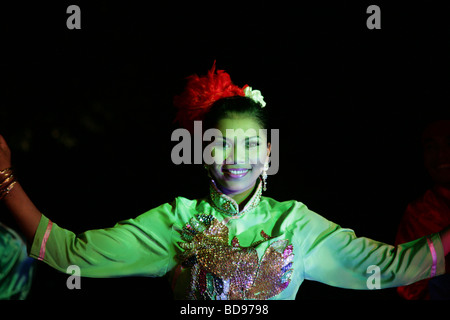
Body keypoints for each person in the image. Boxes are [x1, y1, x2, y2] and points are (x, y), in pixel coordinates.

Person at [0, 63, 449, 300]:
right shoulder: (175, 221)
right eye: (220, 144)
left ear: (269, 153)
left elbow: (392, 267)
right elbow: (71, 254)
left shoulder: (296, 225)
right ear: (199, 150)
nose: (236, 159)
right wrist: (4, 178)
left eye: (251, 144)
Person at [395, 119, 450, 299]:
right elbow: (408, 286)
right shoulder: (419, 214)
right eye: (431, 147)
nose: (441, 154)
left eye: (449, 142)